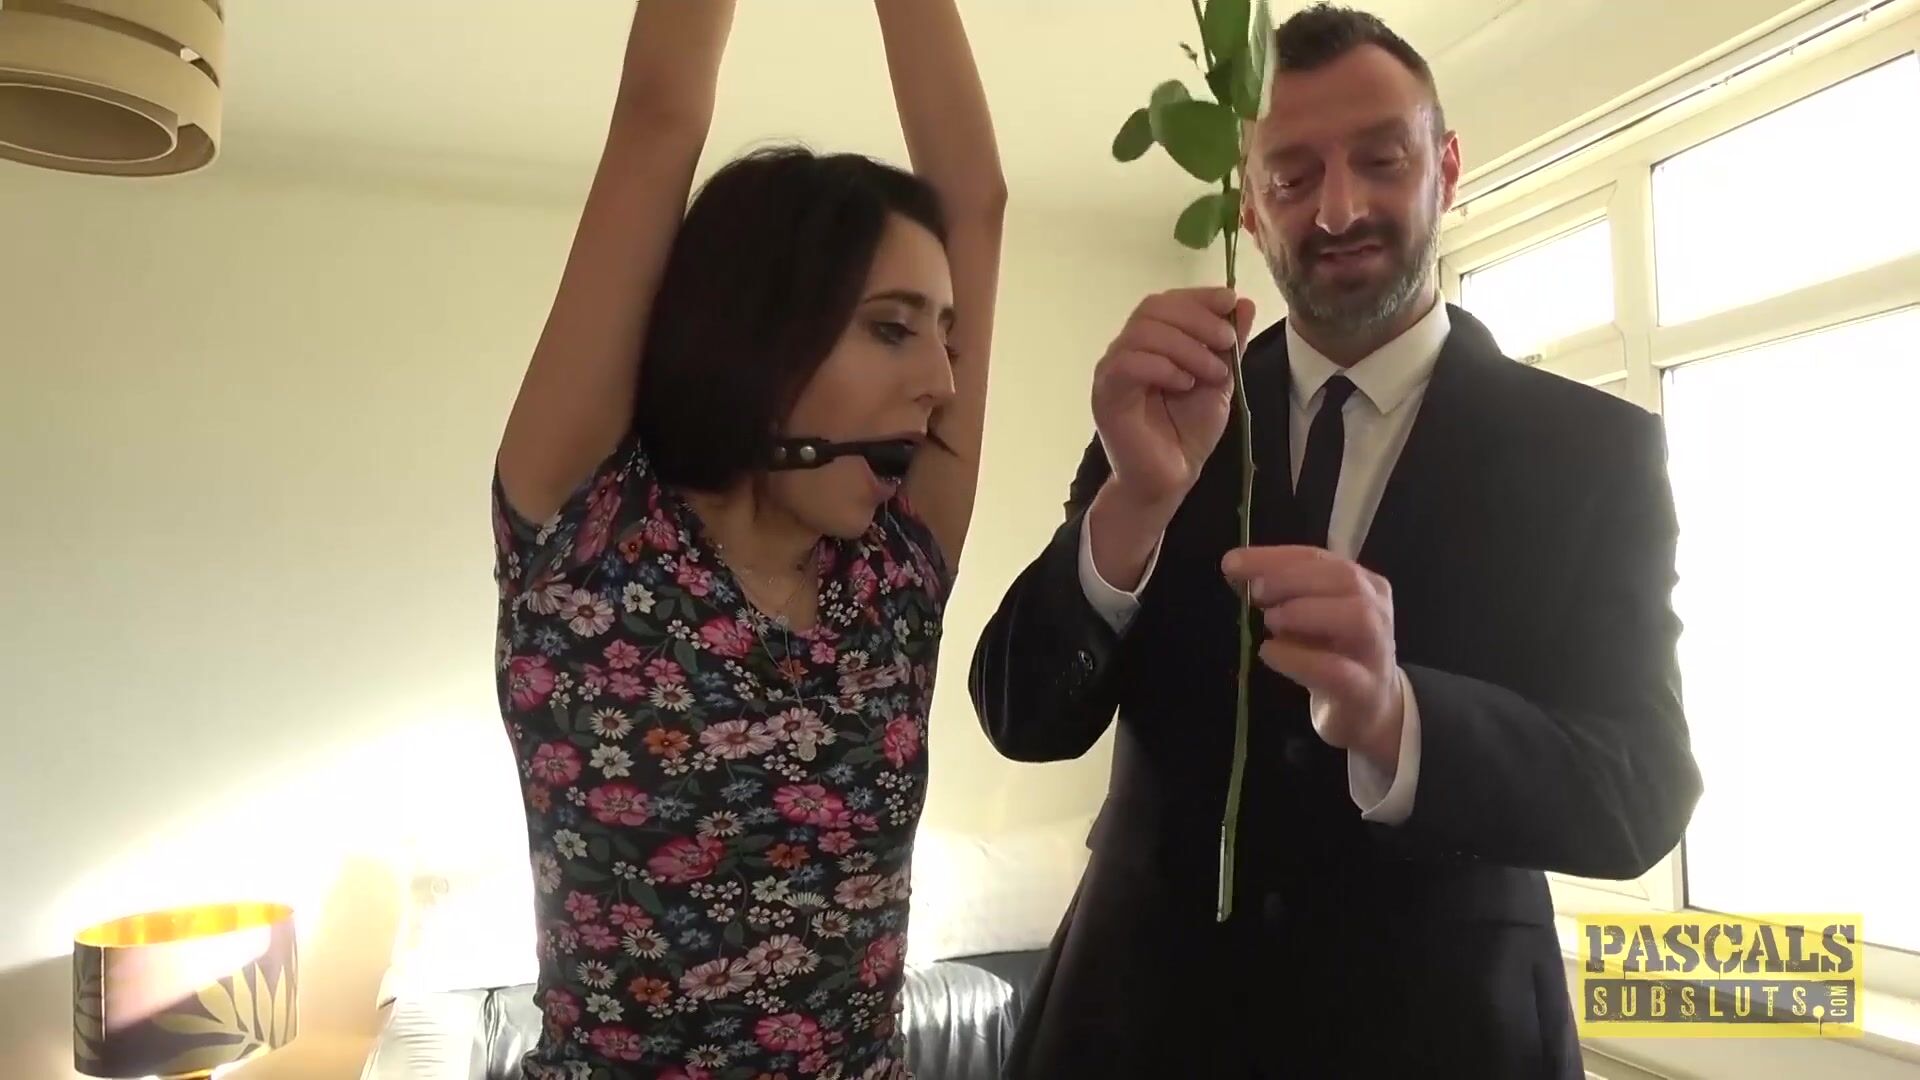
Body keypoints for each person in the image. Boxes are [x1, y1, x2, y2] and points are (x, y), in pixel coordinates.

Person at [968, 5, 1701, 1077]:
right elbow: (1021, 716)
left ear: (1446, 168)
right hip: (1135, 1027)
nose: (1339, 207)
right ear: (1249, 208)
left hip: (1441, 1040)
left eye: (1382, 160)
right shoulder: (1165, 411)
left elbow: (1641, 789)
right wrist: (1129, 507)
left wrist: (1402, 719)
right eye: (1292, 175)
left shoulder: (1595, 456)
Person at [489, 2, 1003, 1076]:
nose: (943, 383)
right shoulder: (589, 534)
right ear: (762, 327)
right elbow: (659, 116)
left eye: (946, 338)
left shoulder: (896, 574)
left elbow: (978, 201)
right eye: (892, 327)